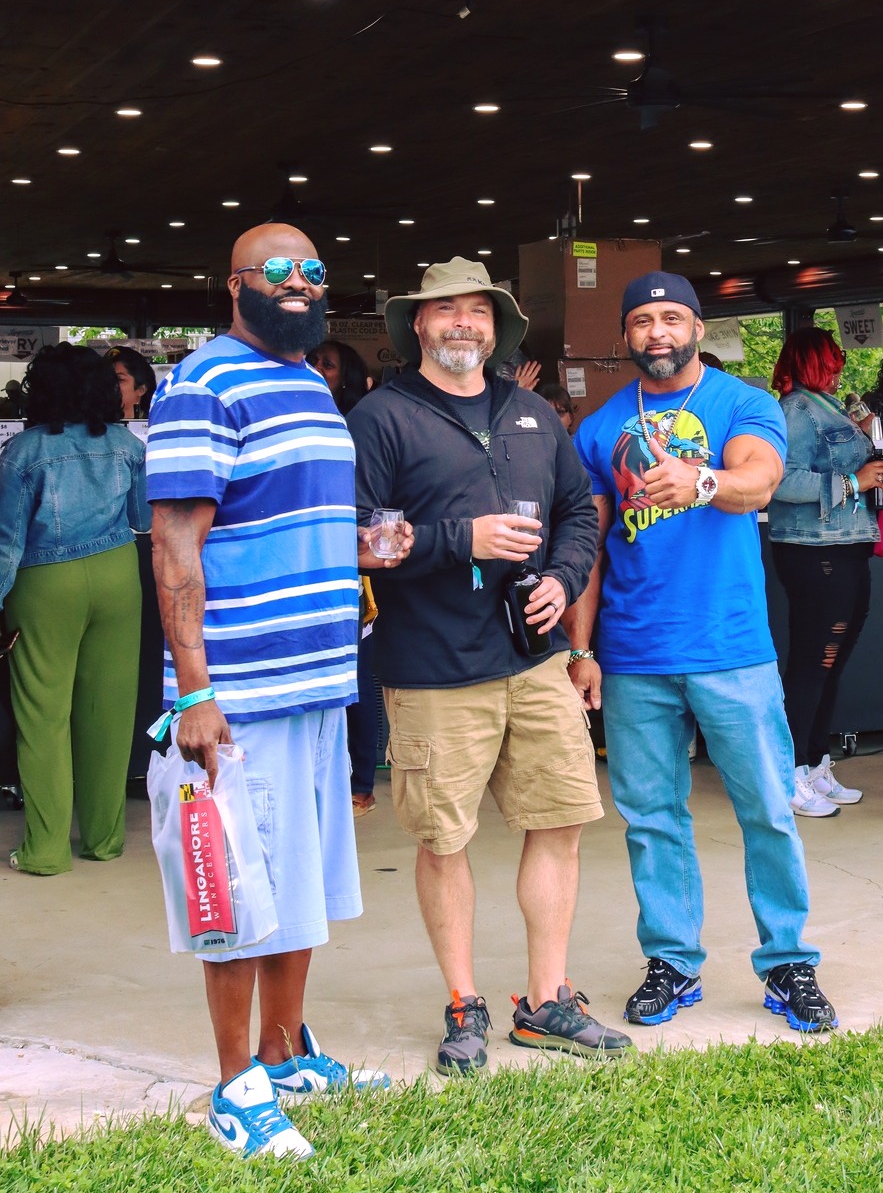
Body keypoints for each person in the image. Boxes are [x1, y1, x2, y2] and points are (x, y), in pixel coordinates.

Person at [147, 224, 407, 1161]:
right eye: (279, 272)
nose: (300, 285)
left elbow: (292, 516)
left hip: (318, 681)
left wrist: (363, 550)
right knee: (237, 891)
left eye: (316, 272)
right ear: (235, 286)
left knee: (297, 881)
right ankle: (233, 1088)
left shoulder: (308, 382)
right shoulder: (202, 385)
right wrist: (193, 694)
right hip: (241, 691)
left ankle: (284, 1051)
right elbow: (174, 547)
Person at [348, 257, 629, 1075]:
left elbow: (580, 510)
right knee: (445, 837)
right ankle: (464, 1003)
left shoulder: (532, 411)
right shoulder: (382, 417)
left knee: (560, 821)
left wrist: (562, 578)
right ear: (419, 326)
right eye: (446, 310)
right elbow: (356, 538)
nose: (462, 322)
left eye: (477, 310)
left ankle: (546, 1002)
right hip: (434, 667)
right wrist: (454, 541)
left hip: (533, 660)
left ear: (496, 327)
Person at [567, 271, 838, 1034]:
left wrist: (702, 477)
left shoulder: (741, 403)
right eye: (644, 320)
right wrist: (580, 649)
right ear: (626, 334)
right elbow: (588, 549)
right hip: (632, 652)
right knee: (651, 817)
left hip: (730, 646)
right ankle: (672, 962)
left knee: (767, 810)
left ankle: (787, 961)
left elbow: (760, 479)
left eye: (672, 318)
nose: (658, 332)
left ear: (696, 328)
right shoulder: (598, 428)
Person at [0, 343, 148, 874]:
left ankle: (43, 851)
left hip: (45, 582)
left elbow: (6, 542)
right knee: (108, 714)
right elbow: (144, 518)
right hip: (116, 573)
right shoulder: (126, 444)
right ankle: (104, 839)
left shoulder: (23, 453)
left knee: (44, 716)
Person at [768, 327, 883, 817]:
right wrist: (852, 480)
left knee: (830, 663)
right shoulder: (796, 409)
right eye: (832, 359)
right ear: (812, 362)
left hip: (843, 545)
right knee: (813, 665)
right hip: (814, 549)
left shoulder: (831, 406)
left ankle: (815, 762)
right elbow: (779, 478)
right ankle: (790, 773)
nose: (840, 366)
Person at [306, 339, 381, 816]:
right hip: (313, 563)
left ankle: (362, 782)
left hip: (359, 568)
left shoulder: (357, 426)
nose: (316, 370)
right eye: (313, 361)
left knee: (357, 676)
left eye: (327, 366)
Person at [307, 338, 373, 415]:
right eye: (312, 361)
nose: (315, 368)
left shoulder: (356, 417)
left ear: (344, 378)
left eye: (327, 365)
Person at [106, 345, 157, 421]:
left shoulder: (154, 426)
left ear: (141, 389)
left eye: (119, 379)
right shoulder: (94, 427)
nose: (109, 383)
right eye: (105, 378)